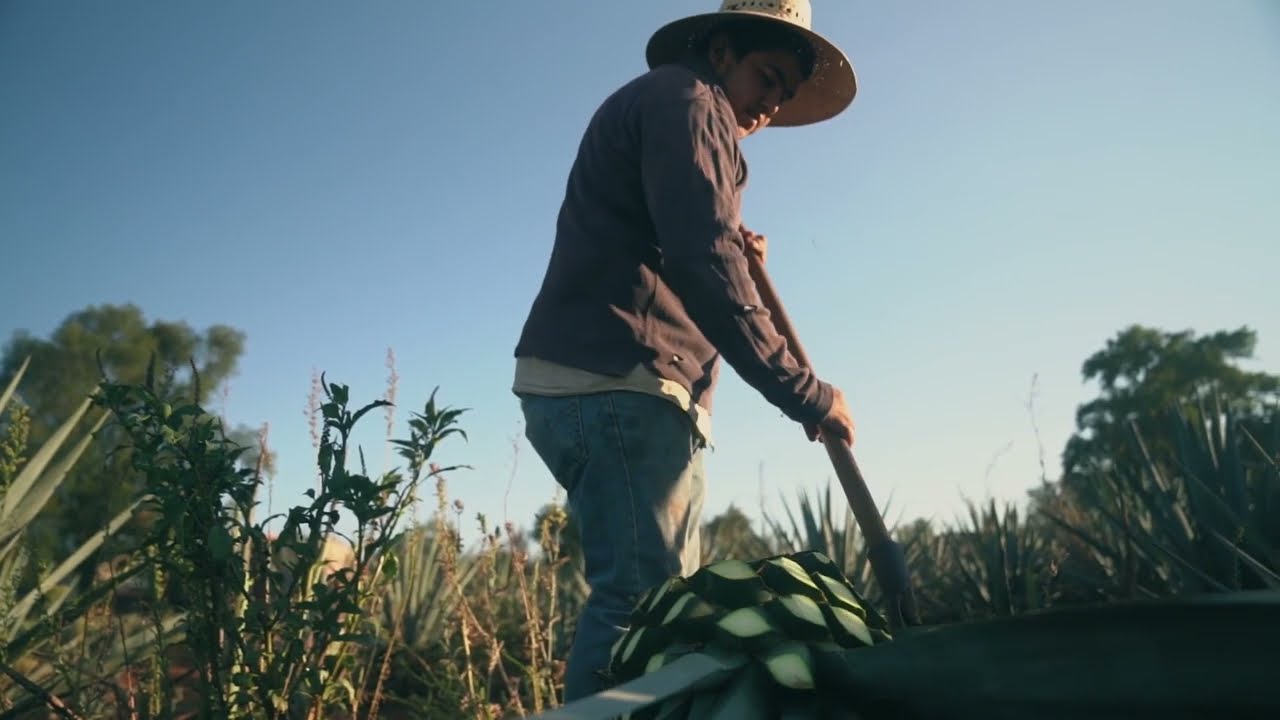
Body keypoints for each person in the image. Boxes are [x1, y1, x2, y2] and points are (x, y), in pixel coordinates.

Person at [511, 0, 859, 702]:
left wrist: (732, 240)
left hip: (601, 386)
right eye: (767, 77)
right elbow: (703, 261)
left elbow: (693, 239)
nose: (771, 104)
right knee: (642, 610)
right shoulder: (689, 100)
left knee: (654, 604)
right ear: (723, 50)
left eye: (786, 93)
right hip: (623, 383)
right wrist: (806, 391)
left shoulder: (673, 108)